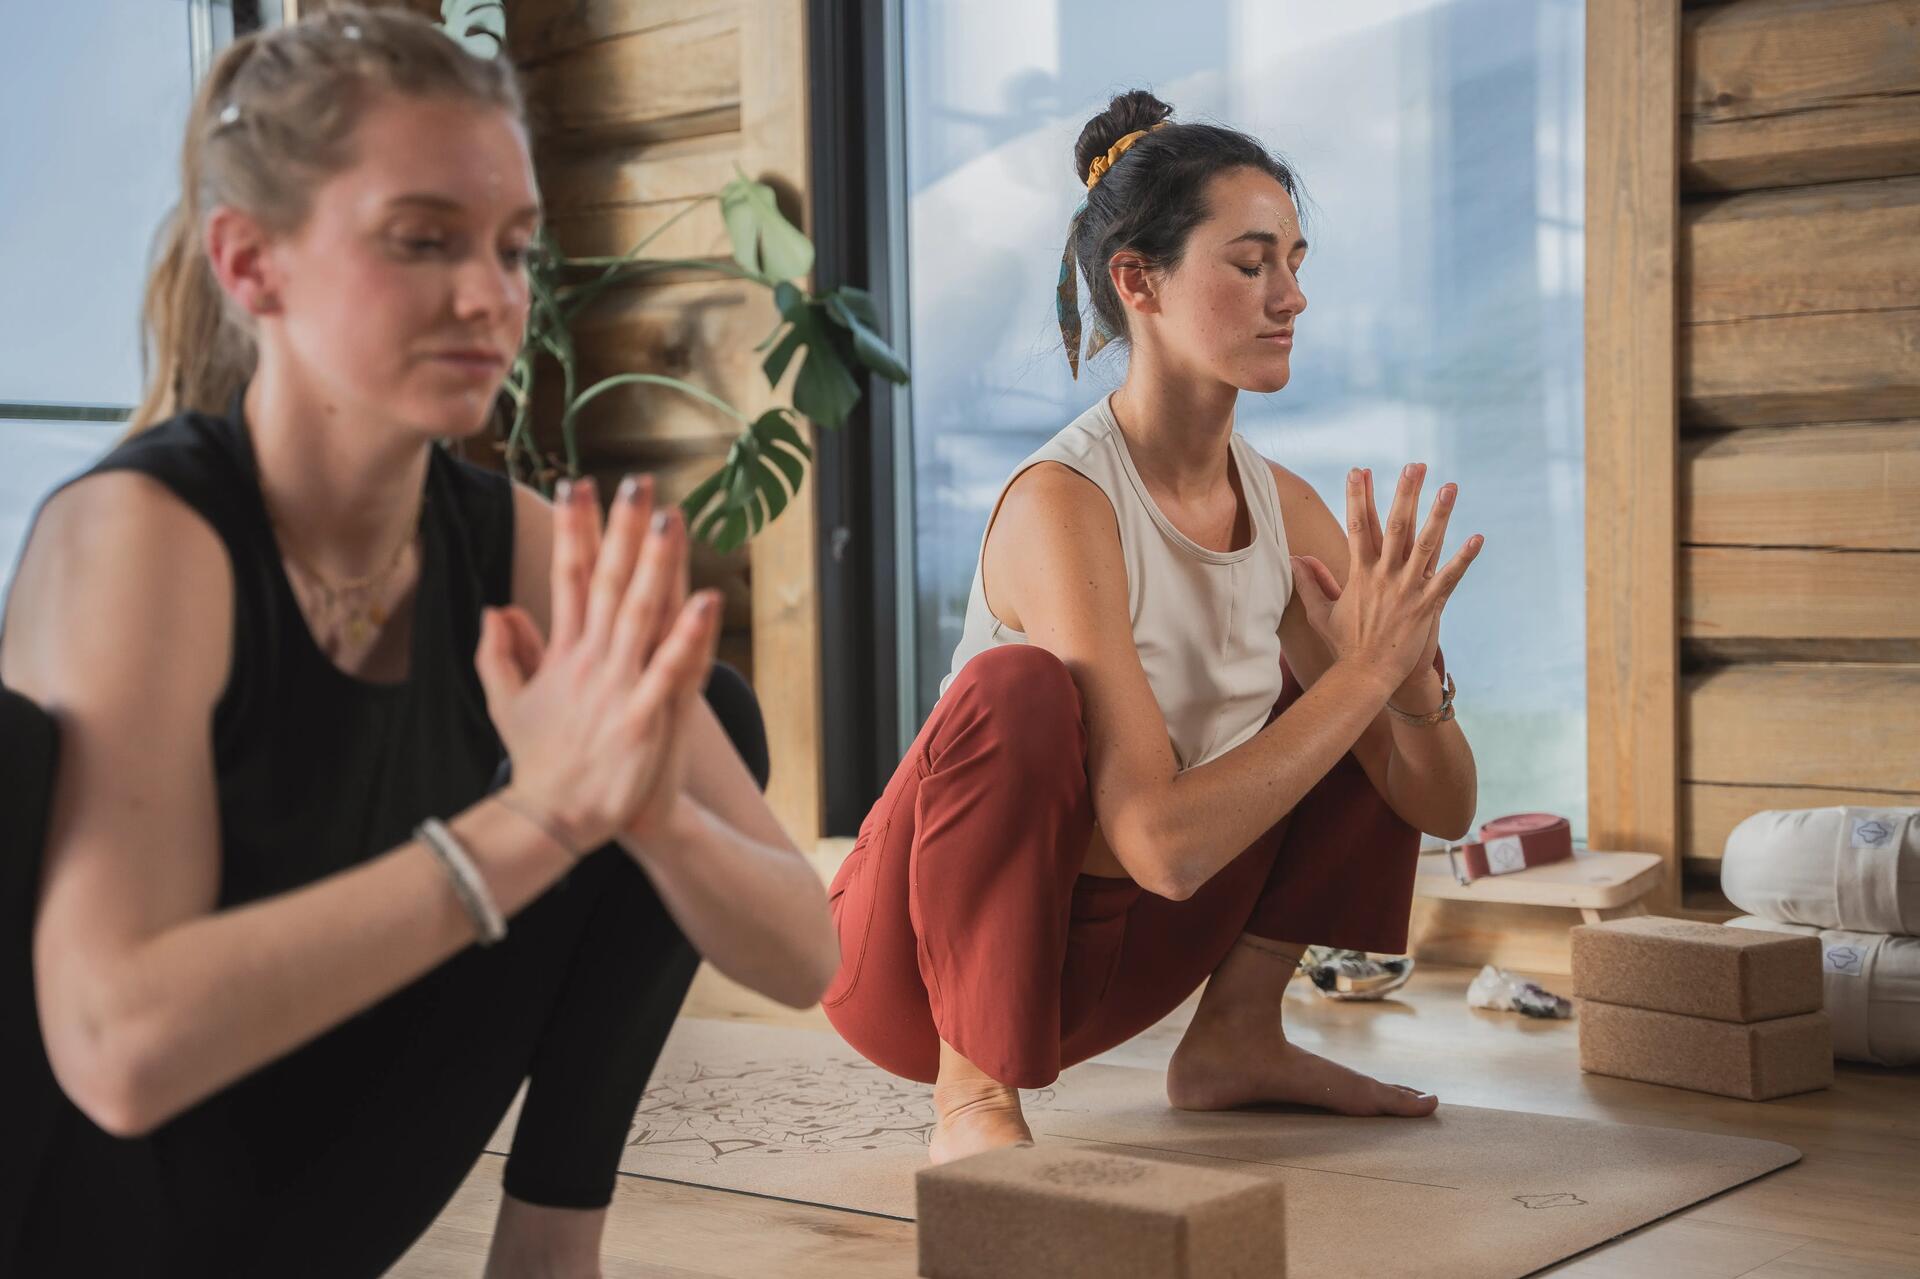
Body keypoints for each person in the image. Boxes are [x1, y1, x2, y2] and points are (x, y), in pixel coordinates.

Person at [0, 9, 836, 1275]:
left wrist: (642, 808)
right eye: (421, 241)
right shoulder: (142, 536)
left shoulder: (523, 546)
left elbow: (804, 952)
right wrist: (541, 819)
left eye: (512, 248)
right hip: (83, 1218)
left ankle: (549, 1258)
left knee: (688, 718)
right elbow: (116, 1056)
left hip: (315, 1202)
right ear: (250, 264)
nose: (490, 297)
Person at [821, 90, 1484, 1164]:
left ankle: (1235, 1040)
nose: (1293, 296)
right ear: (1138, 280)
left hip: (1122, 961)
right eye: (1252, 262)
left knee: (1380, 637)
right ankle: (972, 1097)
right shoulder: (1064, 501)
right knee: (1020, 690)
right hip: (919, 969)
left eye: (1297, 261)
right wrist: (1360, 680)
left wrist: (1403, 675)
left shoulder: (1285, 508)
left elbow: (1444, 803)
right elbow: (1160, 847)